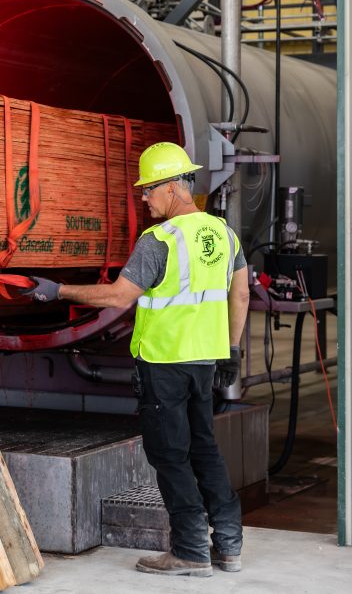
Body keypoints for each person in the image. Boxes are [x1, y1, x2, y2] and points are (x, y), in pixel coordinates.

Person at [25, 142, 250, 577]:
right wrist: (232, 349)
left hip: (164, 362)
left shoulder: (159, 239)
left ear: (171, 188)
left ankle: (188, 551)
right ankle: (228, 542)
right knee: (204, 448)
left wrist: (58, 291)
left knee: (170, 455)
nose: (143, 199)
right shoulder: (223, 233)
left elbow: (117, 297)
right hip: (206, 360)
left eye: (148, 190)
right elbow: (238, 293)